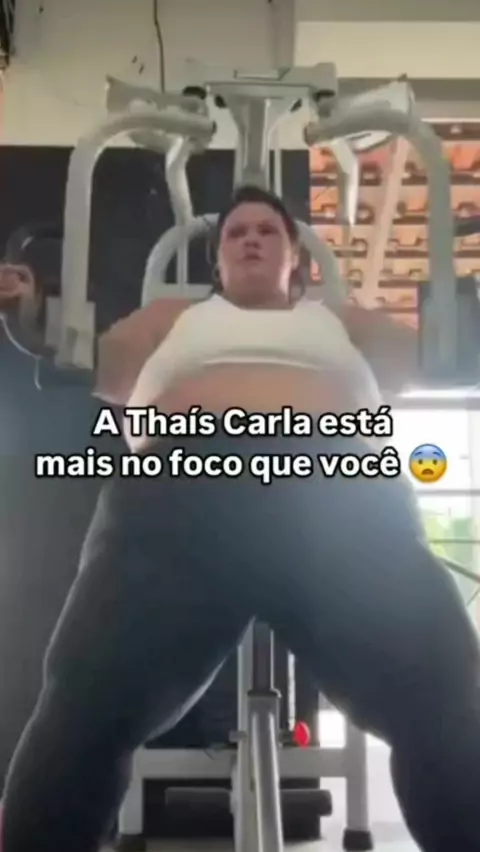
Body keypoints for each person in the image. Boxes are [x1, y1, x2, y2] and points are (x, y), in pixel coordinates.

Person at [1, 185, 480, 852]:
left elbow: (440, 355)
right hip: (180, 497)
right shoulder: (172, 317)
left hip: (338, 496)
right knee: (84, 710)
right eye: (235, 232)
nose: (251, 238)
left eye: (268, 230)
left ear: (295, 256)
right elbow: (85, 360)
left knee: (446, 701)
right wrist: (28, 312)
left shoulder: (338, 319)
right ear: (219, 260)